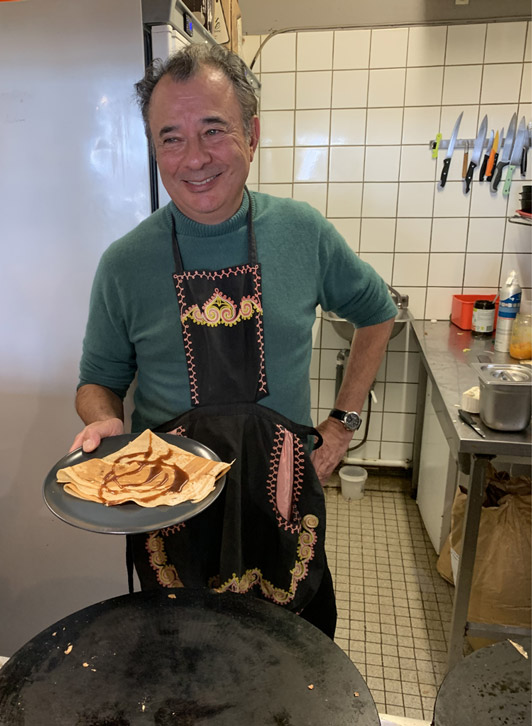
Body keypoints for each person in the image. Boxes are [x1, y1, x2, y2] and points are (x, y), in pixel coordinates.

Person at [71, 44, 395, 638]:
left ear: (252, 134)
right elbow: (98, 382)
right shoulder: (125, 263)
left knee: (295, 654)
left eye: (213, 130)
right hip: (171, 504)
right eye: (170, 138)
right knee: (186, 657)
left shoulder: (303, 233)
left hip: (282, 495)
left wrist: (342, 424)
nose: (193, 158)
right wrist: (105, 421)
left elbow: (378, 313)